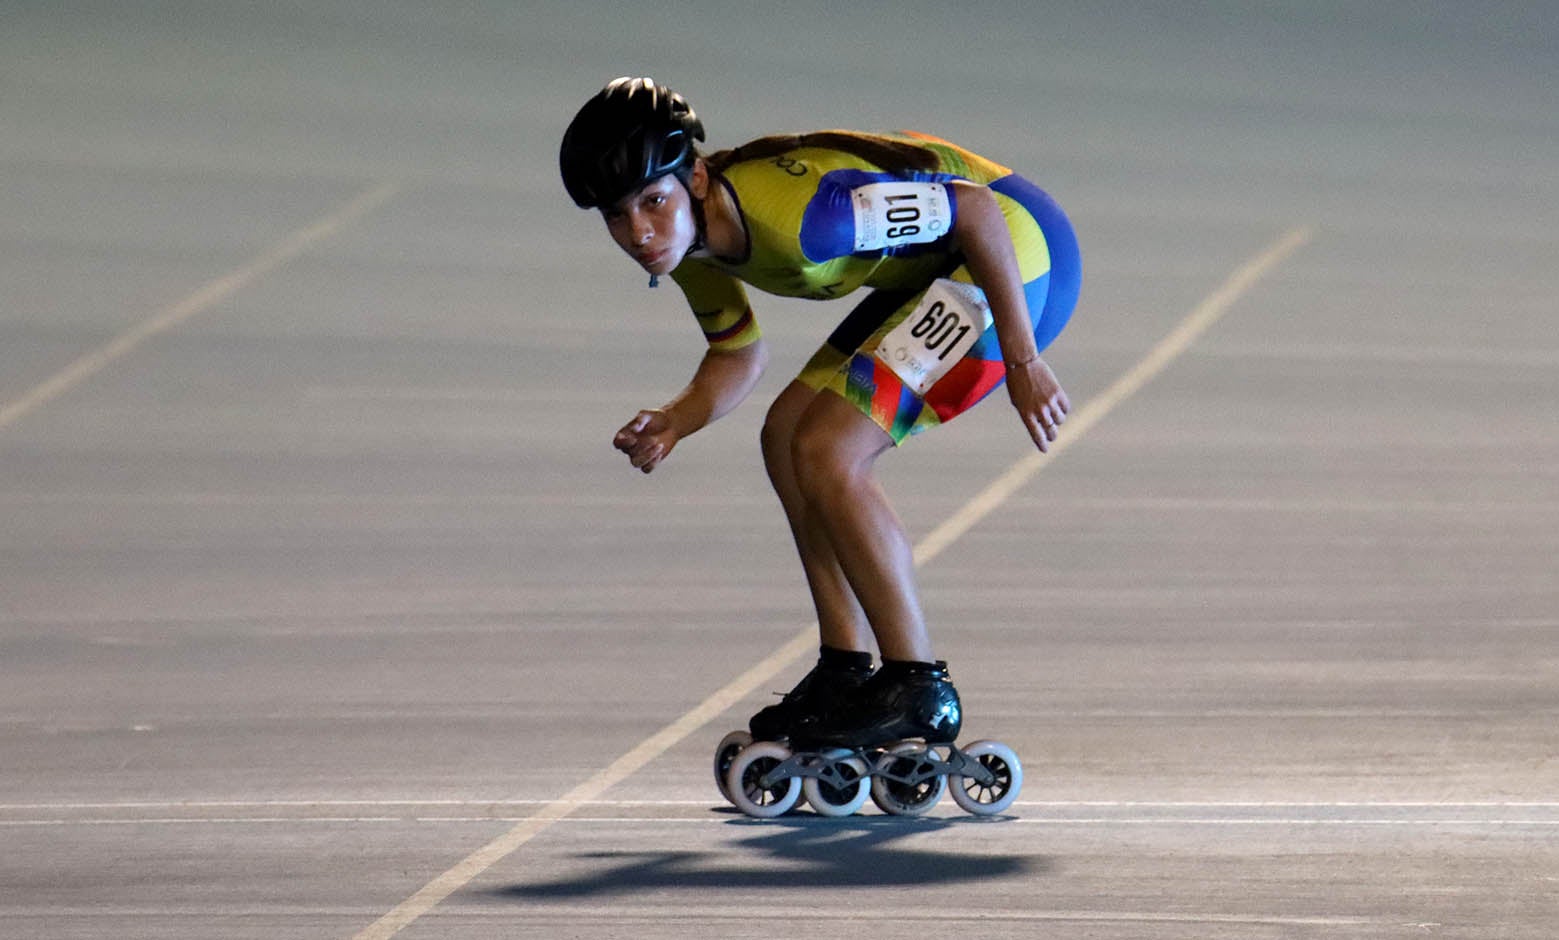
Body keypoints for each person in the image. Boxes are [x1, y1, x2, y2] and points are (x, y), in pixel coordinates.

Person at [559, 77, 1080, 750]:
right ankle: (844, 666)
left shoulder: (805, 220)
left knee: (830, 451)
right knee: (784, 436)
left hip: (1015, 253)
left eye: (651, 202)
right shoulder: (689, 242)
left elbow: (976, 213)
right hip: (937, 265)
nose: (639, 232)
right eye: (616, 215)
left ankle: (918, 684)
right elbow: (736, 354)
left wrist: (1021, 360)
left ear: (693, 176)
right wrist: (676, 418)